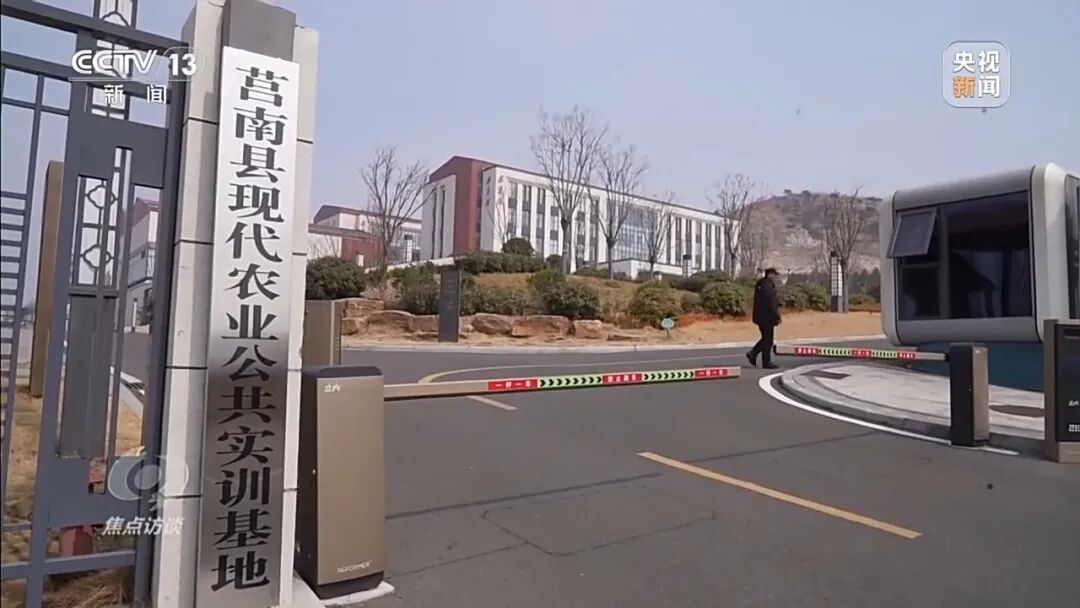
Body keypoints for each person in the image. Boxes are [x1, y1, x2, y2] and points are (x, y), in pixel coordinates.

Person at [746, 268, 781, 369]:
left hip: (760, 315)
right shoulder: (768, 286)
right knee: (768, 340)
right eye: (775, 275)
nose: (775, 277)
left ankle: (753, 354)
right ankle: (765, 361)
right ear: (770, 274)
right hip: (767, 316)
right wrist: (777, 315)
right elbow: (771, 302)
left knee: (766, 339)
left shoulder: (760, 284)